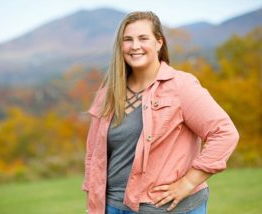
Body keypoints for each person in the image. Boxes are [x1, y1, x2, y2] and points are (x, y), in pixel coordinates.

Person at [82, 11, 239, 214]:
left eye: (143, 38)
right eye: (127, 39)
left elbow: (224, 133)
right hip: (112, 207)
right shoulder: (107, 95)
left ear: (159, 42)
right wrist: (93, 206)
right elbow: (93, 155)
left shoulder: (181, 86)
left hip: (165, 208)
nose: (135, 46)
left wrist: (189, 182)